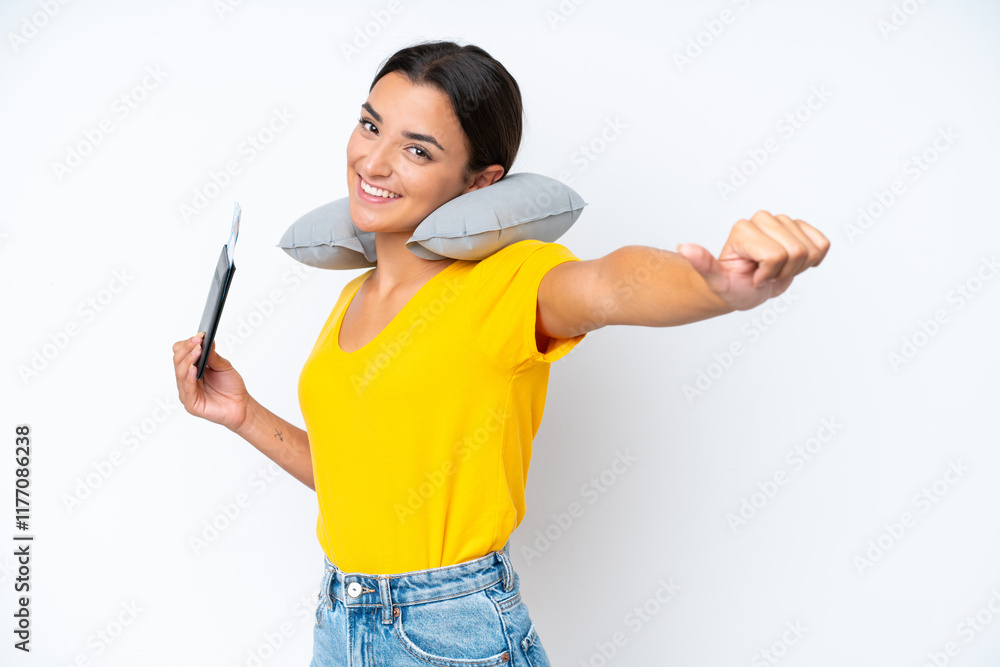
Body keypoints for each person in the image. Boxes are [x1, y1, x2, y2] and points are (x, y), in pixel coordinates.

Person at [172, 40, 829, 667]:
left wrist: (715, 287)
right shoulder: (352, 297)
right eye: (371, 127)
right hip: (340, 618)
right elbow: (357, 482)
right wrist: (242, 412)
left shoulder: (507, 282)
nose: (373, 163)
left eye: (417, 150)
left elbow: (605, 285)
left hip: (448, 629)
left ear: (480, 182)